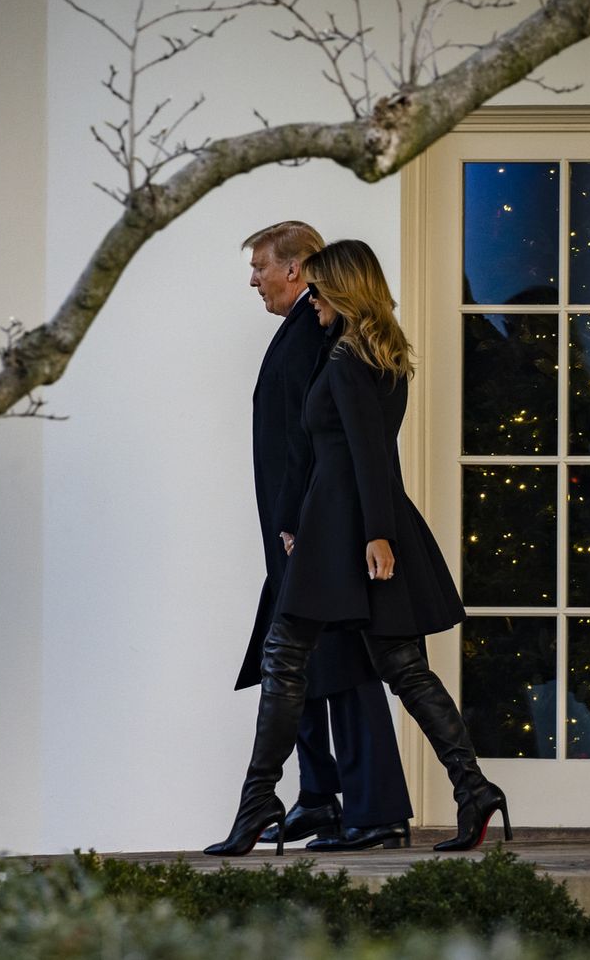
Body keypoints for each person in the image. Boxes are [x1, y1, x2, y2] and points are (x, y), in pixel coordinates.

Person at [206, 238, 510, 857]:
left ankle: (260, 800)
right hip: (348, 528)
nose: (310, 300)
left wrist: (376, 535)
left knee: (284, 660)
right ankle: (473, 788)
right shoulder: (376, 353)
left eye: (317, 289)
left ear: (340, 289)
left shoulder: (346, 359)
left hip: (345, 533)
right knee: (402, 669)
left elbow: (372, 453)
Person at [235, 221, 413, 853]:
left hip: (314, 528)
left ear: (297, 269)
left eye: (260, 266)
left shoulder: (322, 335)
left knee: (345, 660)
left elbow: (340, 443)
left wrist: (315, 525)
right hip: (296, 527)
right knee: (299, 660)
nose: (252, 278)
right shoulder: (304, 331)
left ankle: (376, 808)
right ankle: (320, 798)